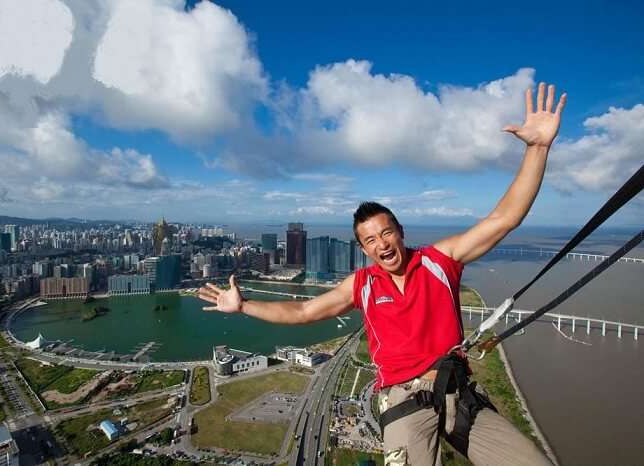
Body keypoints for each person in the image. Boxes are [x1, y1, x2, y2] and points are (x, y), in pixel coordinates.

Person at [198, 82, 565, 466]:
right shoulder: (363, 286)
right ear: (364, 250)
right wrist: (244, 307)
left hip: (459, 394)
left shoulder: (441, 262)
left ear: (401, 232)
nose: (382, 244)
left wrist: (537, 148)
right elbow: (304, 312)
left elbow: (503, 219)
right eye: (371, 240)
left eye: (387, 232)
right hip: (405, 402)